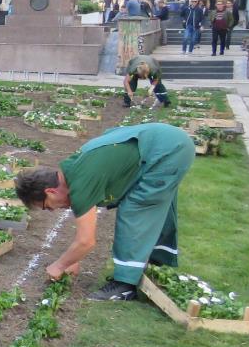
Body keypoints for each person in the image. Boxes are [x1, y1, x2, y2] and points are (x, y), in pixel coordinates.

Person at [14, 123, 193, 300]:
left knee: (136, 208)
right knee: (152, 204)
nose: (52, 210)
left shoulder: (81, 182)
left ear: (50, 191)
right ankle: (155, 261)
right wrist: (73, 259)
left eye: (46, 206)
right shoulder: (71, 170)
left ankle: (125, 286)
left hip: (168, 150)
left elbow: (86, 241)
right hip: (164, 142)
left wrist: (59, 266)